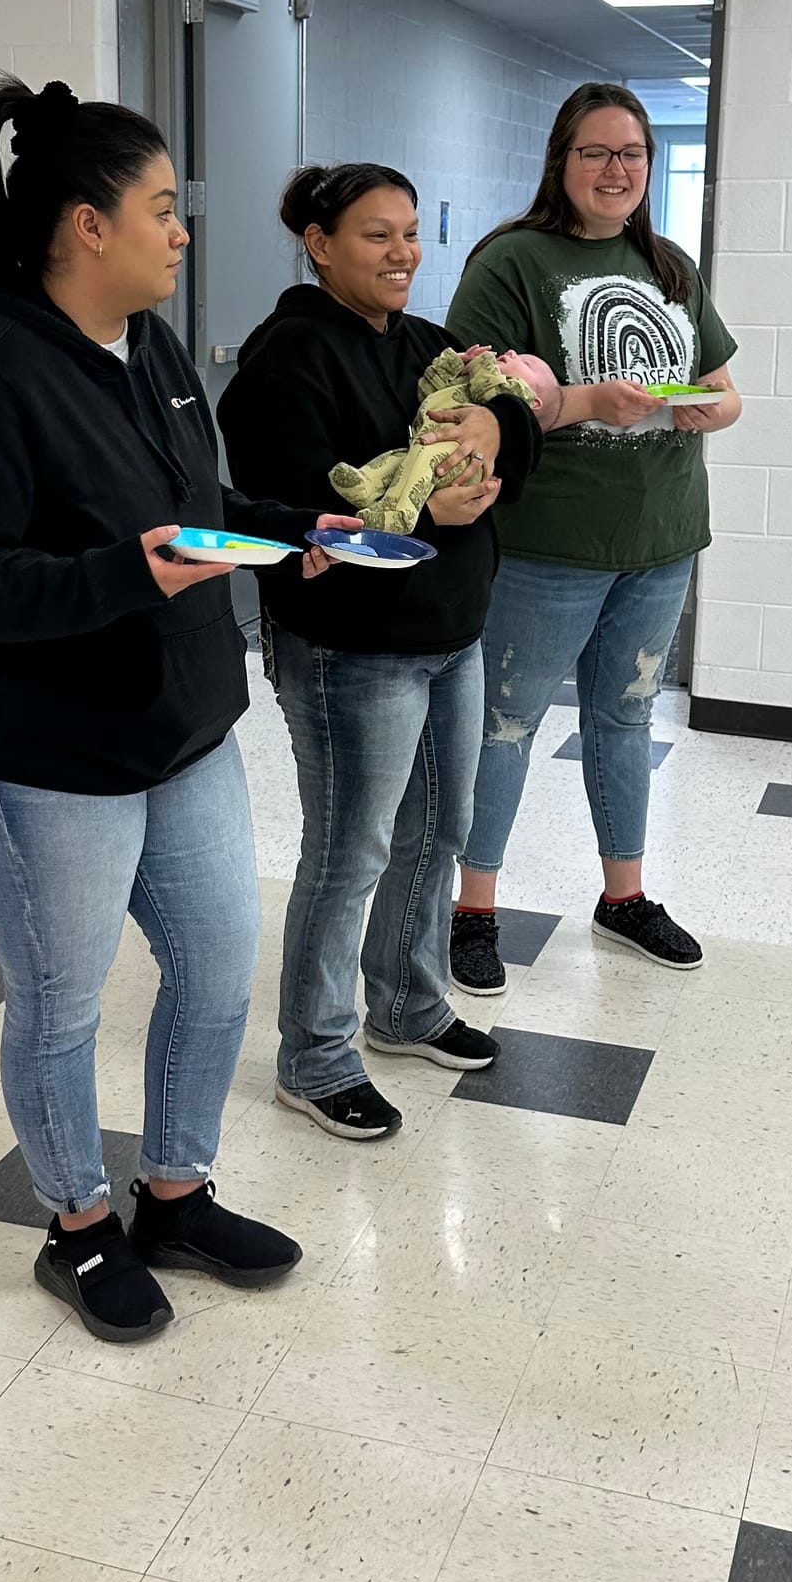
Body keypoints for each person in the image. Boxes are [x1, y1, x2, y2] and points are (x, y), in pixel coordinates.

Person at [0, 77, 350, 1344]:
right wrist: (120, 577)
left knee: (214, 968)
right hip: (44, 753)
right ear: (87, 227)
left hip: (180, 729)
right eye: (159, 207)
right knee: (62, 1002)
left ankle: (176, 1197)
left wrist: (291, 530)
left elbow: (190, 508)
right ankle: (79, 1225)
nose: (180, 230)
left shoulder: (147, 345)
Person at [219, 163, 546, 1141]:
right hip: (351, 649)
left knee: (439, 830)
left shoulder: (425, 343)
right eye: (377, 234)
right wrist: (429, 512)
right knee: (348, 850)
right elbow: (290, 514)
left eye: (409, 233)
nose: (403, 252)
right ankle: (315, 1057)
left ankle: (405, 1004)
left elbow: (514, 421)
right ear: (319, 244)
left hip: (451, 634)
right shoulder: (285, 359)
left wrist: (497, 423)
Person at [442, 81, 742, 992]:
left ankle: (624, 896)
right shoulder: (511, 261)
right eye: (596, 152)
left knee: (627, 718)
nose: (616, 169)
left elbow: (725, 388)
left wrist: (712, 409)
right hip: (547, 543)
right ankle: (473, 909)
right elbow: (466, 398)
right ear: (561, 161)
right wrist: (583, 402)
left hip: (661, 537)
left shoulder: (669, 265)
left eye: (632, 153)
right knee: (504, 725)